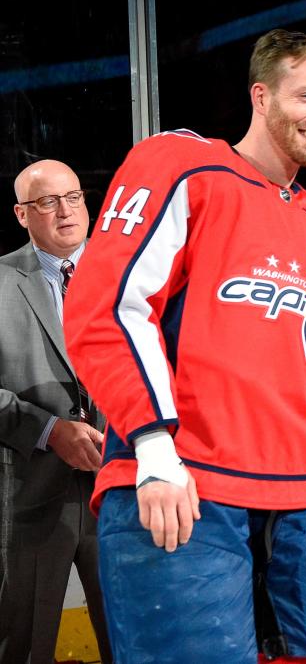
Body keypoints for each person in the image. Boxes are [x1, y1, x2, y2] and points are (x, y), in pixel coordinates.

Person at [62, 29, 306, 663]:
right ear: (261, 96)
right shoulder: (181, 164)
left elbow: (303, 371)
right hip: (191, 482)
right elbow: (109, 307)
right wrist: (152, 446)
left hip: (305, 499)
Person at [0, 160, 111, 663]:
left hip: (120, 491)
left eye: (74, 197)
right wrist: (47, 430)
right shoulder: (1, 281)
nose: (65, 211)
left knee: (132, 639)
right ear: (22, 214)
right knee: (23, 644)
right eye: (48, 202)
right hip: (31, 496)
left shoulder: (129, 274)